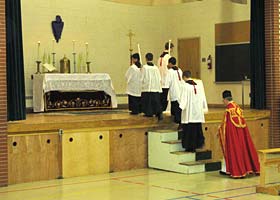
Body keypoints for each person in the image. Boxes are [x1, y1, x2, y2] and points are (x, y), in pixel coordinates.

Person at [218, 90, 260, 178]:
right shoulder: (238, 108)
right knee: (243, 150)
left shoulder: (228, 110)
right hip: (242, 135)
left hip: (233, 136)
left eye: (223, 100)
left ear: (225, 99)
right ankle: (228, 169)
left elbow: (226, 125)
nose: (223, 102)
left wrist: (219, 129)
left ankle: (238, 171)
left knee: (233, 150)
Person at [178, 70, 208, 152]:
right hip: (197, 112)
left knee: (189, 130)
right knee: (196, 129)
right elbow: (202, 99)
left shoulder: (185, 86)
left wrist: (180, 107)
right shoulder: (198, 86)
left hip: (189, 112)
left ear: (184, 77)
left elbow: (183, 101)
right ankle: (197, 144)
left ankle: (189, 146)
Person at [141, 53, 163, 120]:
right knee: (155, 100)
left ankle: (149, 113)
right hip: (155, 86)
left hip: (148, 87)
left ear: (146, 58)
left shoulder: (144, 67)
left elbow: (142, 77)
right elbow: (159, 77)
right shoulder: (156, 67)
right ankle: (157, 112)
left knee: (148, 101)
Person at [157, 42, 174, 111]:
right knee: (165, 97)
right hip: (166, 79)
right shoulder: (168, 57)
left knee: (161, 96)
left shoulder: (160, 57)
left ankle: (160, 109)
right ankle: (164, 109)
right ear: (171, 48)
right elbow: (169, 68)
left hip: (160, 79)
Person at [167, 57, 183, 123]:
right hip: (180, 90)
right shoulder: (179, 70)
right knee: (178, 106)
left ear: (170, 63)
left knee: (175, 106)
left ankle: (176, 120)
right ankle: (178, 119)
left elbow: (168, 81)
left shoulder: (170, 71)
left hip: (174, 90)